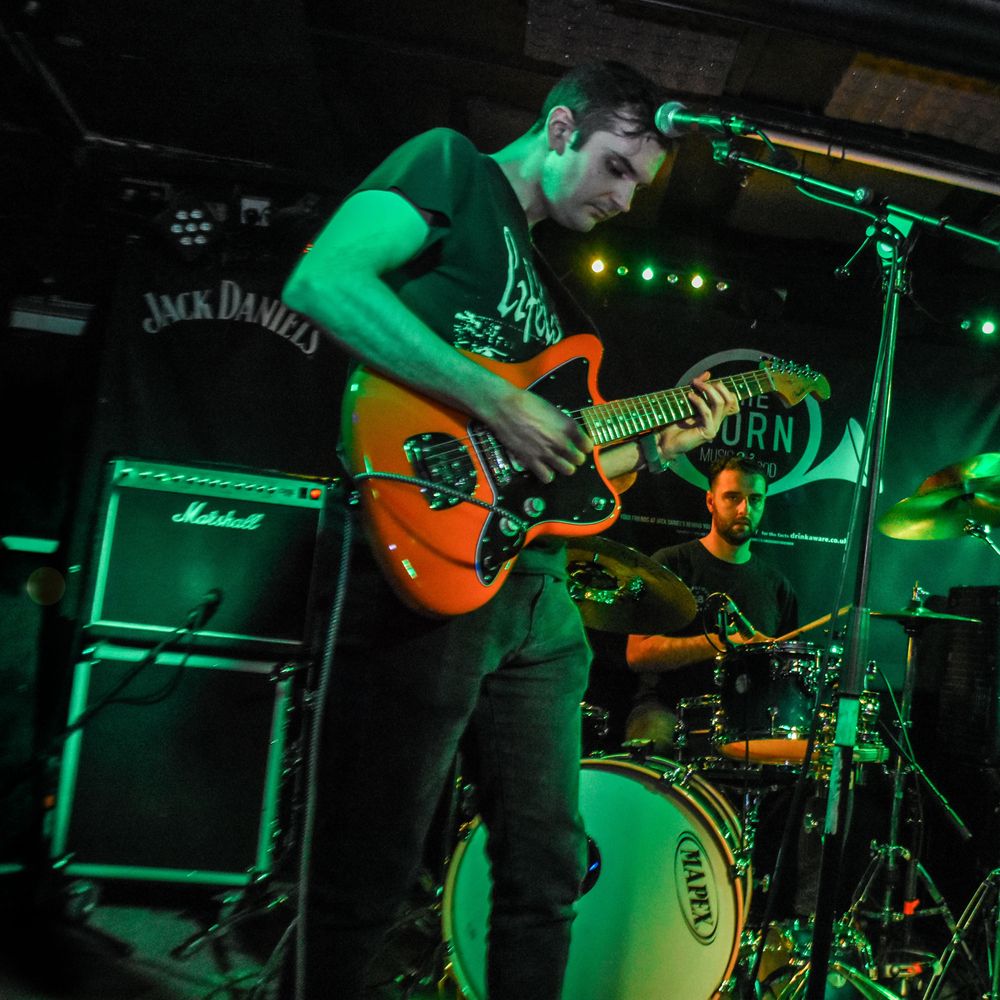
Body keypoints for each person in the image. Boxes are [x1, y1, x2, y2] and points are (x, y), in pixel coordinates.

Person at [280, 61, 738, 999]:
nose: (623, 197)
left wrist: (659, 449)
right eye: (615, 165)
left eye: (638, 185)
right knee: (367, 870)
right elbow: (323, 278)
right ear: (561, 126)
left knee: (549, 872)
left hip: (532, 596)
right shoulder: (450, 167)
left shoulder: (552, 291)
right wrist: (496, 399)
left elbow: (559, 473)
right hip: (419, 556)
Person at [625, 454, 799, 754]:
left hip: (747, 717)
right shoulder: (671, 564)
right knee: (654, 745)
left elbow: (788, 676)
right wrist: (721, 643)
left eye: (755, 499)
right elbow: (637, 654)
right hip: (669, 708)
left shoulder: (779, 587)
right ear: (710, 501)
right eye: (732, 497)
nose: (745, 509)